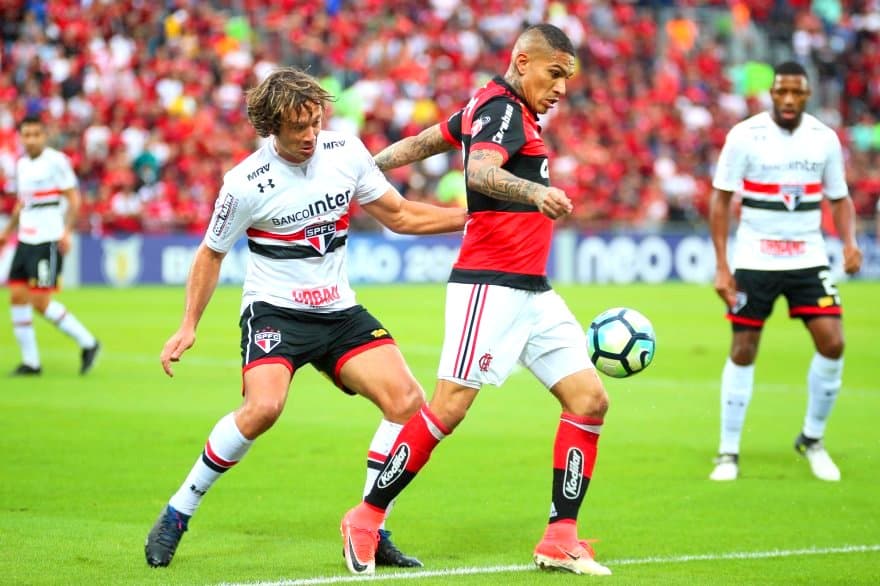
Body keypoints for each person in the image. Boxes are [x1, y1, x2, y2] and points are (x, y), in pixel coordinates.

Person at [143, 67, 466, 568]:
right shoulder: (244, 183)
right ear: (272, 127)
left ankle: (370, 524)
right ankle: (179, 511)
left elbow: (400, 215)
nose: (311, 134)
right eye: (299, 126)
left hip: (339, 311)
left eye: (316, 121)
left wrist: (475, 217)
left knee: (407, 402)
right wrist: (188, 325)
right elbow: (210, 254)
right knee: (264, 409)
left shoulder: (346, 154)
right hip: (276, 311)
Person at [341, 24, 612, 577]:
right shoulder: (504, 110)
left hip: (532, 290)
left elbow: (423, 144)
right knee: (448, 408)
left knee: (588, 400)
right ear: (522, 60)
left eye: (568, 77)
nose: (562, 87)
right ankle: (365, 516)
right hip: (488, 286)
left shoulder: (486, 105)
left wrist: (364, 168)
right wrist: (535, 191)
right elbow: (480, 170)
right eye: (554, 73)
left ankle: (560, 536)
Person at [707, 61, 862, 483]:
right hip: (755, 258)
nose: (789, 99)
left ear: (807, 95)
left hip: (808, 258)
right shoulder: (745, 135)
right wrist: (723, 265)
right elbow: (720, 200)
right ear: (771, 94)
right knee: (743, 349)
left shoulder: (823, 139)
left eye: (797, 92)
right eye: (782, 92)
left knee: (833, 343)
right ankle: (728, 451)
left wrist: (849, 242)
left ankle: (812, 438)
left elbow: (840, 198)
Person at [0, 115, 100, 376]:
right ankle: (31, 362)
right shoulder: (21, 165)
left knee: (40, 301)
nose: (30, 139)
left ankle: (88, 343)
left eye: (35, 134)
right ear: (21, 137)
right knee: (17, 297)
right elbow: (23, 204)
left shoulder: (56, 161)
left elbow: (73, 198)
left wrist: (66, 231)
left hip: (47, 239)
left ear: (44, 136)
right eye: (26, 135)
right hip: (25, 239)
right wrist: (7, 232)